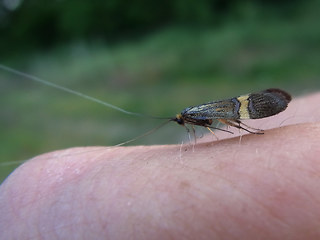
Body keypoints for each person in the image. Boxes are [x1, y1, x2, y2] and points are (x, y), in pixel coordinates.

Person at [1, 92, 320, 240]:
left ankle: (251, 125)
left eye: (182, 122)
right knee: (234, 115)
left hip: (236, 107)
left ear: (184, 120)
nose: (182, 124)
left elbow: (215, 119)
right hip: (229, 110)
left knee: (236, 113)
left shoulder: (192, 115)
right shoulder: (192, 117)